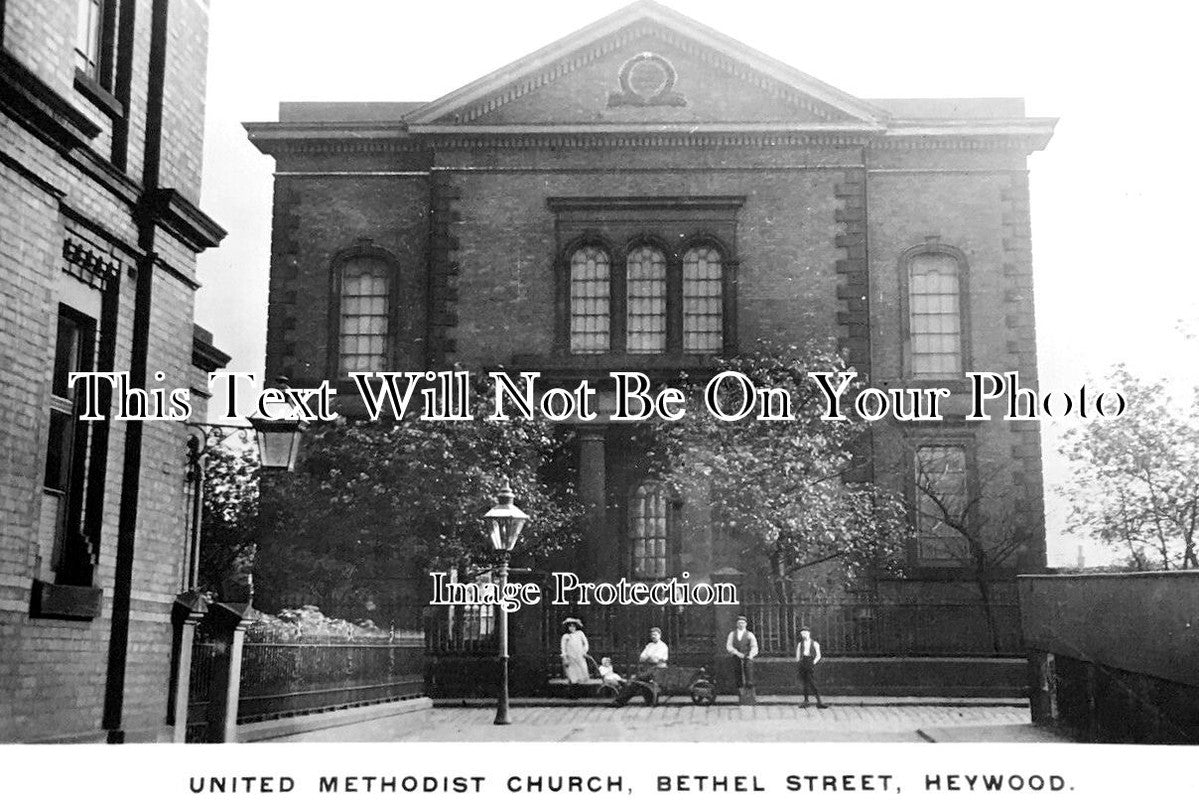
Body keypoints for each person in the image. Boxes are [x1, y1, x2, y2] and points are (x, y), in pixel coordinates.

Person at [613, 627, 669, 707]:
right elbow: (641, 657)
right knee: (638, 682)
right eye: (652, 635)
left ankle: (620, 700)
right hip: (650, 669)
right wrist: (649, 657)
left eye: (655, 635)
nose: (653, 636)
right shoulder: (649, 645)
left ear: (660, 635)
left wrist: (648, 657)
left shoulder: (663, 646)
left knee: (636, 681)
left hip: (658, 670)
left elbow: (656, 660)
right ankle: (621, 700)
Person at [795, 625, 828, 709]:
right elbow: (798, 655)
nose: (803, 635)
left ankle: (819, 701)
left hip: (810, 662)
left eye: (805, 633)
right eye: (802, 633)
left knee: (812, 682)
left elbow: (818, 655)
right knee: (804, 683)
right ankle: (806, 701)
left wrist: (813, 662)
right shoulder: (800, 644)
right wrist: (799, 662)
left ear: (809, 633)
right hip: (803, 662)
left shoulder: (814, 643)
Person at [725, 615, 758, 689]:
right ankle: (740, 692)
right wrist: (736, 653)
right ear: (737, 624)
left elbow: (754, 646)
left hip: (747, 657)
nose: (741, 624)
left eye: (743, 623)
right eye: (739, 623)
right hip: (736, 657)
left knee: (749, 674)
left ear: (746, 624)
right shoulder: (732, 634)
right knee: (738, 675)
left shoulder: (750, 634)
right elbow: (729, 646)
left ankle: (749, 690)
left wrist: (751, 655)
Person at [559, 618, 590, 684]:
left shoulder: (580, 633)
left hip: (580, 655)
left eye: (573, 626)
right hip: (571, 657)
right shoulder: (565, 636)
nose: (572, 628)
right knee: (572, 672)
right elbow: (563, 648)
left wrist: (584, 651)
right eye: (570, 626)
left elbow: (586, 643)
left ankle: (582, 683)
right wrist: (565, 657)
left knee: (582, 670)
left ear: (576, 627)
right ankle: (573, 682)